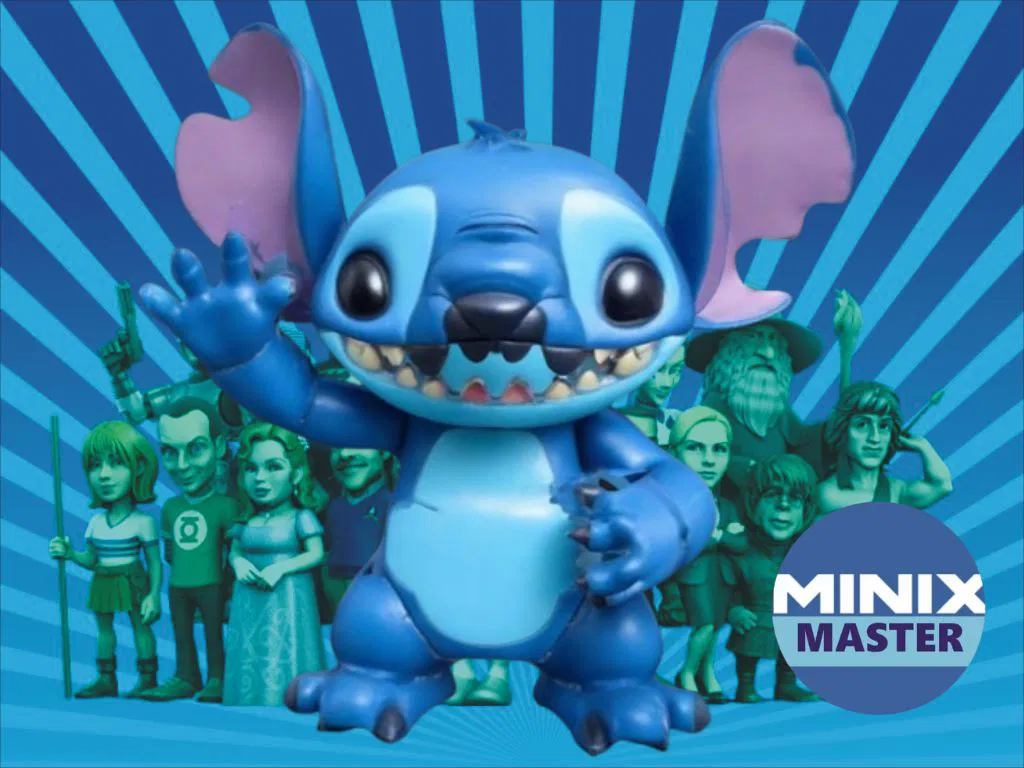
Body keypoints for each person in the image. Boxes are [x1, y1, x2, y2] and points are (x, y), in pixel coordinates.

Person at [688, 291, 862, 493]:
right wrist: (753, 470)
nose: (768, 353)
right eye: (754, 337)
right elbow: (704, 456)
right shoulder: (715, 406)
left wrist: (846, 349)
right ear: (731, 348)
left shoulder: (775, 410)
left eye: (773, 340)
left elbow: (816, 442)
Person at [48, 421, 163, 698]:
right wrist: (70, 554)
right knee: (104, 630)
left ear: (138, 467)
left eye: (116, 463)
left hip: (133, 578)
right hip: (103, 579)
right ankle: (106, 678)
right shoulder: (96, 523)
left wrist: (154, 595)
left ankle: (148, 679)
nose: (104, 475)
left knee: (140, 627)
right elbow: (91, 560)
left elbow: (154, 562)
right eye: (95, 465)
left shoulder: (143, 522)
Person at [140, 400, 243, 702]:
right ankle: (186, 676)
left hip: (212, 584)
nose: (182, 465)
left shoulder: (226, 506)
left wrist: (230, 589)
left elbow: (234, 551)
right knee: (181, 632)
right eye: (170, 452)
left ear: (219, 446)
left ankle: (217, 677)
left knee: (213, 633)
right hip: (179, 585)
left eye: (196, 449)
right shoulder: (171, 507)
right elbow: (170, 550)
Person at [224, 423, 329, 706]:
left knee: (286, 648)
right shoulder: (247, 519)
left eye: (273, 467)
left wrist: (280, 568)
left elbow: (315, 553)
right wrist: (238, 563)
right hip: (249, 599)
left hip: (289, 597)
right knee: (250, 653)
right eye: (252, 468)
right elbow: (234, 551)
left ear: (296, 474)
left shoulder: (300, 517)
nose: (260, 478)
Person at [657, 407, 746, 705]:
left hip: (720, 576)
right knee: (705, 625)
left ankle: (707, 674)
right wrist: (719, 537)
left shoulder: (726, 505)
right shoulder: (673, 504)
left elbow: (741, 541)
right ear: (675, 452)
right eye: (696, 448)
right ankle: (686, 673)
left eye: (719, 449)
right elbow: (680, 543)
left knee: (715, 625)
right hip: (692, 578)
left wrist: (719, 538)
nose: (709, 460)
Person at [724, 455, 819, 703]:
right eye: (772, 495)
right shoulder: (740, 551)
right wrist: (734, 610)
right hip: (755, 617)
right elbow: (725, 589)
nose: (783, 505)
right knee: (749, 645)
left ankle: (786, 683)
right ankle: (746, 685)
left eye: (795, 498)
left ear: (806, 509)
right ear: (753, 502)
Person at [818, 381, 953, 513]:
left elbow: (942, 485)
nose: (874, 438)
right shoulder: (826, 495)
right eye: (862, 425)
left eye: (883, 426)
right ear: (843, 430)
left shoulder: (897, 491)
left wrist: (923, 446)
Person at [318, 447, 398, 613]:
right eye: (335, 447)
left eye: (359, 443)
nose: (344, 454)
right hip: (334, 586)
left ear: (384, 451)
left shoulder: (393, 505)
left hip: (374, 589)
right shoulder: (334, 506)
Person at [616, 345, 688, 446]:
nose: (667, 383)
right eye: (659, 369)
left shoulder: (678, 423)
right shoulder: (611, 418)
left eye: (676, 370)